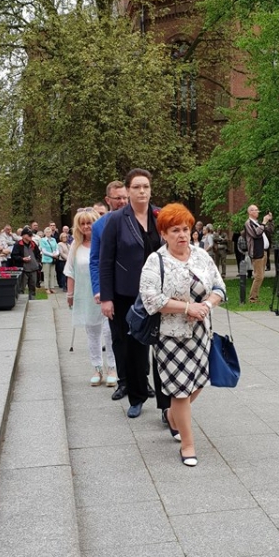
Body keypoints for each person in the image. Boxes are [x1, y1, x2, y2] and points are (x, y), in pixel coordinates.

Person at [139, 204, 226, 466]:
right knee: (179, 391)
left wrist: (206, 305)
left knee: (198, 381)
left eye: (186, 229)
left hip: (200, 333)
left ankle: (173, 416)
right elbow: (151, 299)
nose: (182, 235)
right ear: (164, 234)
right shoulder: (156, 260)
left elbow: (219, 287)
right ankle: (188, 445)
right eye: (175, 230)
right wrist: (187, 308)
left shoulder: (201, 256)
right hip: (170, 336)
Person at [99, 169, 165, 418]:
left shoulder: (161, 216)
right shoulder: (117, 220)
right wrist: (106, 297)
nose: (142, 191)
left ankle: (167, 405)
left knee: (163, 349)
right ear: (128, 190)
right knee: (132, 348)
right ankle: (137, 397)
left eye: (145, 186)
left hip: (160, 294)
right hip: (127, 294)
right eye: (136, 187)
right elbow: (106, 260)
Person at [65, 208, 116, 387]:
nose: (87, 226)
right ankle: (97, 368)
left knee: (109, 332)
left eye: (90, 222)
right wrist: (70, 294)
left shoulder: (105, 242)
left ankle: (112, 368)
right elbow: (70, 271)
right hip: (86, 295)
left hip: (107, 294)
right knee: (92, 332)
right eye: (83, 223)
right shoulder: (75, 246)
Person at [89, 180, 130, 400]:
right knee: (118, 337)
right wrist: (101, 291)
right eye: (118, 198)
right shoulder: (100, 226)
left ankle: (142, 380)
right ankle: (123, 382)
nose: (122, 201)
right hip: (114, 290)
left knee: (142, 337)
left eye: (125, 197)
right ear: (108, 200)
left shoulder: (139, 219)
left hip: (138, 289)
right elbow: (95, 261)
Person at [244, 204, 273, 302]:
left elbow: (270, 230)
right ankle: (253, 298)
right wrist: (264, 222)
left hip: (264, 251)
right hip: (257, 252)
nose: (258, 212)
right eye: (255, 210)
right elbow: (256, 234)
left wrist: (270, 221)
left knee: (261, 276)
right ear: (250, 212)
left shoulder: (258, 223)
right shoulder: (248, 223)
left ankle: (255, 296)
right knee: (259, 276)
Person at [10, 227, 42, 298]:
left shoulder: (33, 244)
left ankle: (32, 301)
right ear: (24, 235)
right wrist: (22, 259)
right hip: (23, 270)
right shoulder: (18, 245)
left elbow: (38, 254)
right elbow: (14, 256)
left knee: (33, 288)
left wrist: (37, 262)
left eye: (31, 235)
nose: (31, 236)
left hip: (33, 269)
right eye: (29, 235)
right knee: (21, 288)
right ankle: (21, 302)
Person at [39, 226, 59, 293]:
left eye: (49, 232)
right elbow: (44, 251)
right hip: (46, 259)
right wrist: (52, 255)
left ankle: (52, 287)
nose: (48, 233)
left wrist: (57, 253)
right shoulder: (43, 240)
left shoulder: (53, 239)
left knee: (52, 274)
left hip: (53, 259)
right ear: (45, 233)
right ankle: (47, 288)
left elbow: (57, 248)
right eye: (47, 232)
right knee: (46, 274)